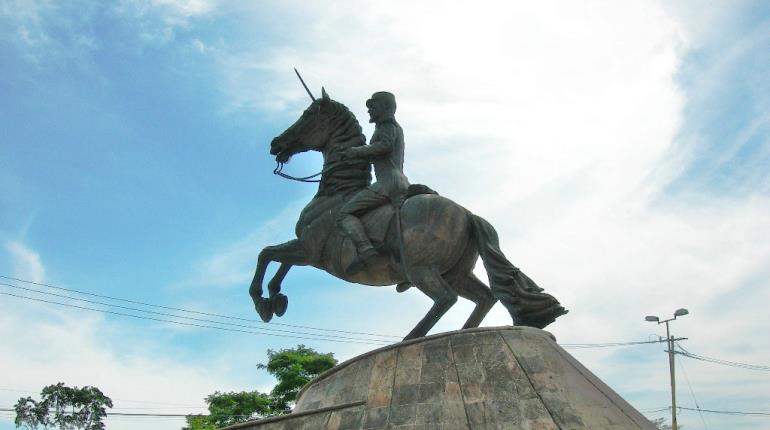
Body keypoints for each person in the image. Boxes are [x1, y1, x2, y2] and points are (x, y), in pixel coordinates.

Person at [337, 91, 410, 275]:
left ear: (385, 107)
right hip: (395, 180)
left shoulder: (387, 125)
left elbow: (384, 146)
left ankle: (366, 252)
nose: (369, 110)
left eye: (373, 106)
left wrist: (355, 152)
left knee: (344, 214)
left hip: (387, 182)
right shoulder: (387, 126)